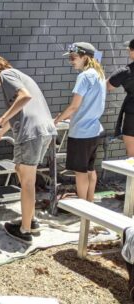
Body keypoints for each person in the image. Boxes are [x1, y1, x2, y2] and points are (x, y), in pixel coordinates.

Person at [0, 54, 56, 244]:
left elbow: (24, 98)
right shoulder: (21, 76)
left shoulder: (6, 75)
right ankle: (31, 220)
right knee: (23, 174)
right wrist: (1, 132)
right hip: (44, 131)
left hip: (31, 134)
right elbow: (21, 109)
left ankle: (25, 230)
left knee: (26, 181)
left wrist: (2, 119)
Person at [54, 42, 105, 202]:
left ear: (85, 57)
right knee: (90, 170)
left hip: (81, 132)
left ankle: (83, 208)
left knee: (80, 172)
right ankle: (89, 203)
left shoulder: (84, 76)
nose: (71, 61)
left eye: (73, 57)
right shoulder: (99, 74)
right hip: (95, 130)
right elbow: (87, 104)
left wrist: (57, 120)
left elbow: (74, 106)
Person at [107, 38, 134, 157]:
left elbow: (108, 86)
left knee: (132, 155)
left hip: (132, 115)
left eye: (129, 49)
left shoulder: (126, 71)